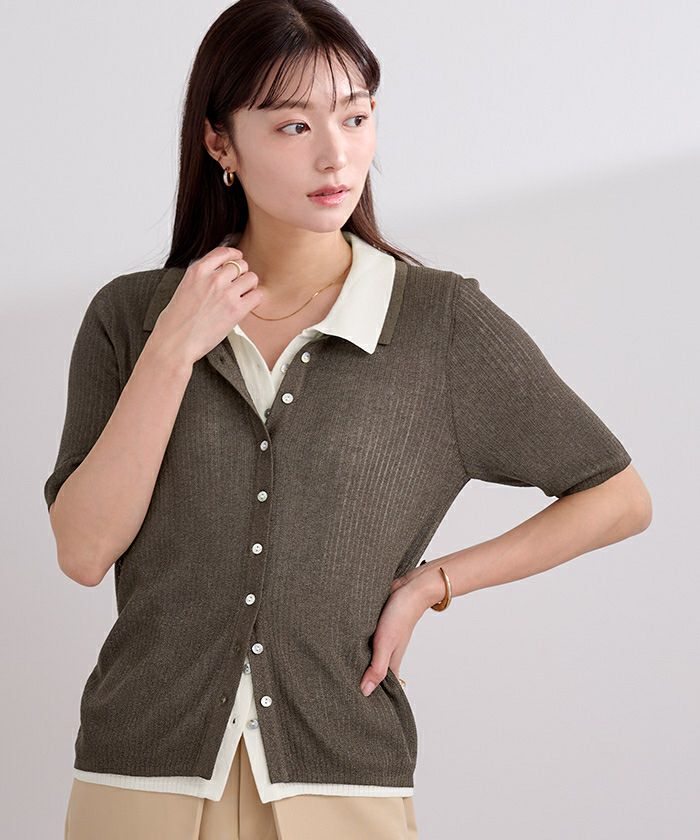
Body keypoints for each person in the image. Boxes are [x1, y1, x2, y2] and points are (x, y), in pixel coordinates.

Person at [44, 1, 652, 838]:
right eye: (293, 126)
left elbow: (617, 497)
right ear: (220, 143)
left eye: (356, 118)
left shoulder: (437, 323)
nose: (336, 155)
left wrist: (435, 584)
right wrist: (172, 348)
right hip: (138, 781)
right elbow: (83, 552)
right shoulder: (131, 316)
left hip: (341, 782)